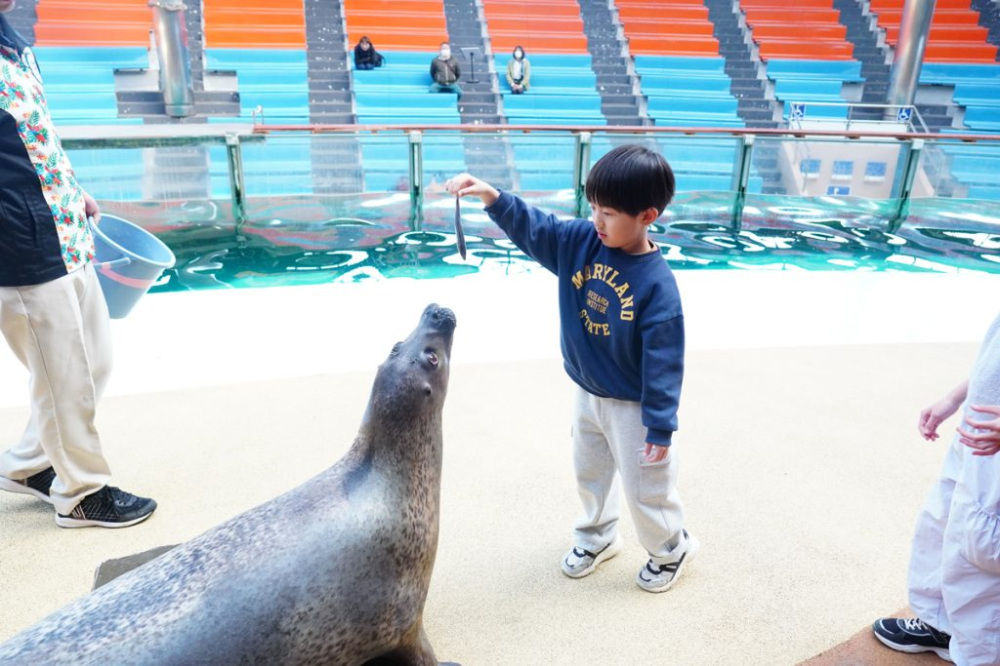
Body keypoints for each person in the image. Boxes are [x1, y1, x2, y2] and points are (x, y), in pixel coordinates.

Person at [446, 145, 698, 593]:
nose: (597, 220)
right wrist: (492, 196)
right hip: (588, 392)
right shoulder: (582, 242)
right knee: (590, 473)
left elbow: (665, 365)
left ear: (647, 216)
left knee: (647, 489)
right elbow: (537, 229)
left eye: (610, 212)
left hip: (634, 409)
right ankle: (598, 537)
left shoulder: (658, 288)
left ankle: (670, 548)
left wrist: (660, 428)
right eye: (593, 207)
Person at [0, 0, 157, 528]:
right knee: (63, 372)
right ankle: (81, 493)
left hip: (61, 223)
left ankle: (26, 465)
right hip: (20, 245)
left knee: (92, 360)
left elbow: (33, 132)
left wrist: (71, 188)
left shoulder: (12, 42)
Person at [873, 312, 1000, 664]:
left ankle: (981, 656)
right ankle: (941, 625)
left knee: (982, 561)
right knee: (943, 524)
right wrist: (955, 397)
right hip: (978, 435)